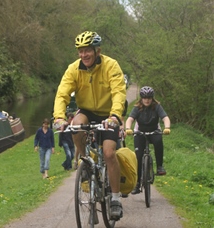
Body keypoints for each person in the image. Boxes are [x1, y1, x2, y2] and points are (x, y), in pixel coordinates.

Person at [53, 31, 126, 221]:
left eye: (87, 51)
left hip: (109, 113)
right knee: (76, 125)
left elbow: (119, 91)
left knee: (109, 153)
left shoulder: (111, 65)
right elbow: (62, 94)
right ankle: (85, 159)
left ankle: (116, 199)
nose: (83, 55)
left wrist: (115, 115)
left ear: (97, 50)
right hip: (86, 111)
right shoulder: (73, 69)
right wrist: (59, 117)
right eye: (80, 51)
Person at [125, 86, 171, 194]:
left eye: (149, 98)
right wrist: (128, 128)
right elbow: (130, 119)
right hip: (140, 132)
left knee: (158, 141)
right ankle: (137, 184)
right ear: (141, 98)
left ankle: (160, 166)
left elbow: (165, 117)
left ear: (152, 98)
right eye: (145, 98)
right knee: (139, 156)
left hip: (154, 131)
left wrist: (167, 127)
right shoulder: (137, 107)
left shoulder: (157, 106)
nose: (147, 100)